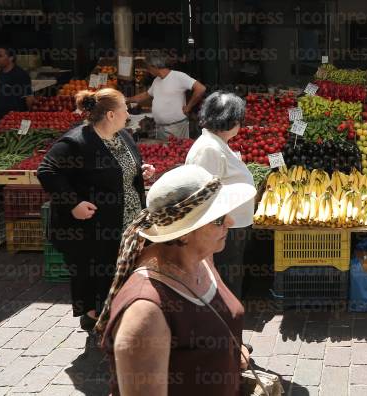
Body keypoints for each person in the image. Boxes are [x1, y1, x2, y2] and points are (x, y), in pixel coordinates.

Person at [96, 165, 256, 396]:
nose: (230, 221)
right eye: (218, 219)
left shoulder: (202, 257)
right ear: (184, 232)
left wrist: (230, 351)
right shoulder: (145, 311)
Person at [38, 88, 155, 331]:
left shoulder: (122, 135)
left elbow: (120, 167)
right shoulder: (76, 142)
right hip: (93, 225)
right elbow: (47, 172)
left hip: (126, 218)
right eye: (125, 109)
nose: (128, 113)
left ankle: (113, 312)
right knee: (96, 270)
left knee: (119, 266)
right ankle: (96, 317)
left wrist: (140, 169)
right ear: (111, 114)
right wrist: (73, 203)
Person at [185, 92, 255, 299]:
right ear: (231, 122)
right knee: (225, 281)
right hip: (222, 230)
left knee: (232, 277)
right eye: (239, 121)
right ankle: (225, 321)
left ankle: (230, 316)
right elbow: (203, 196)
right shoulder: (208, 149)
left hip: (231, 227)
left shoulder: (216, 143)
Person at [128, 53, 206, 139]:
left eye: (148, 67)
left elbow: (200, 88)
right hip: (160, 128)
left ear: (154, 66)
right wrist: (127, 99)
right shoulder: (156, 81)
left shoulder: (178, 76)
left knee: (177, 150)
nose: (147, 70)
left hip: (176, 127)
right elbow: (146, 95)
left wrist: (189, 107)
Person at [0, 47, 34, 120]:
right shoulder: (1, 72)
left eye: (0, 56)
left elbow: (29, 99)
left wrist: (28, 119)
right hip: (0, 119)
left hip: (15, 120)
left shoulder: (21, 75)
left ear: (11, 58)